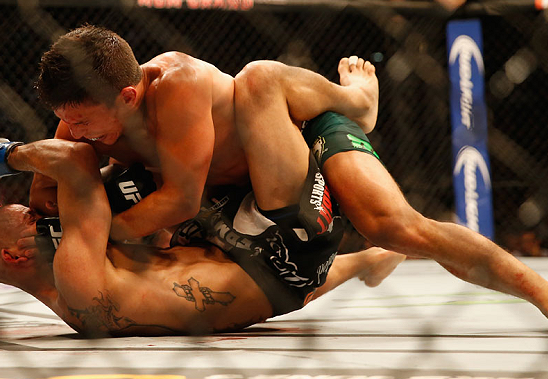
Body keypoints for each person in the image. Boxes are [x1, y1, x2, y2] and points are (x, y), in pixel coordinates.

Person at [232, 59, 548, 336]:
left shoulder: (185, 99)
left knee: (396, 227)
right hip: (254, 184)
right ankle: (371, 259)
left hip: (301, 125)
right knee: (274, 267)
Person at [0, 137, 404, 336]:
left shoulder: (83, 284)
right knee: (263, 92)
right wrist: (0, 155)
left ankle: (369, 261)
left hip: (265, 283)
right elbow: (75, 157)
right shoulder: (76, 274)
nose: (39, 211)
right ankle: (353, 111)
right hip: (281, 254)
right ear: (17, 255)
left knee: (141, 189)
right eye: (28, 218)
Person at [23, 25, 378, 244]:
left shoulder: (177, 85)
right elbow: (43, 194)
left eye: (82, 122)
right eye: (67, 120)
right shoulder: (80, 118)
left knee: (259, 77)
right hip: (228, 205)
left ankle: (358, 99)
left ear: (127, 98)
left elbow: (180, 200)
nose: (75, 132)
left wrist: (95, 234)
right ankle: (369, 260)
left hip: (288, 158)